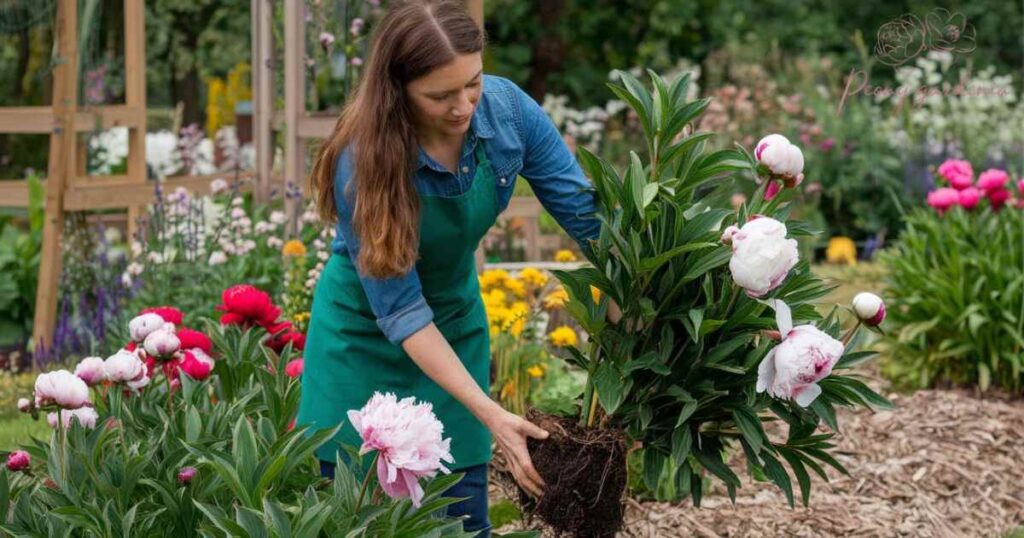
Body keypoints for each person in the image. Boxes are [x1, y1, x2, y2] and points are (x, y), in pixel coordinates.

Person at [296, 1, 604, 534]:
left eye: (473, 83)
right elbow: (402, 312)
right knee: (362, 523)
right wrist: (491, 412)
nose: (464, 106)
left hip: (455, 328)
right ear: (398, 91)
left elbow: (590, 220)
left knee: (461, 521)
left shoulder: (508, 113)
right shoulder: (362, 159)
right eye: (440, 95)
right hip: (361, 343)